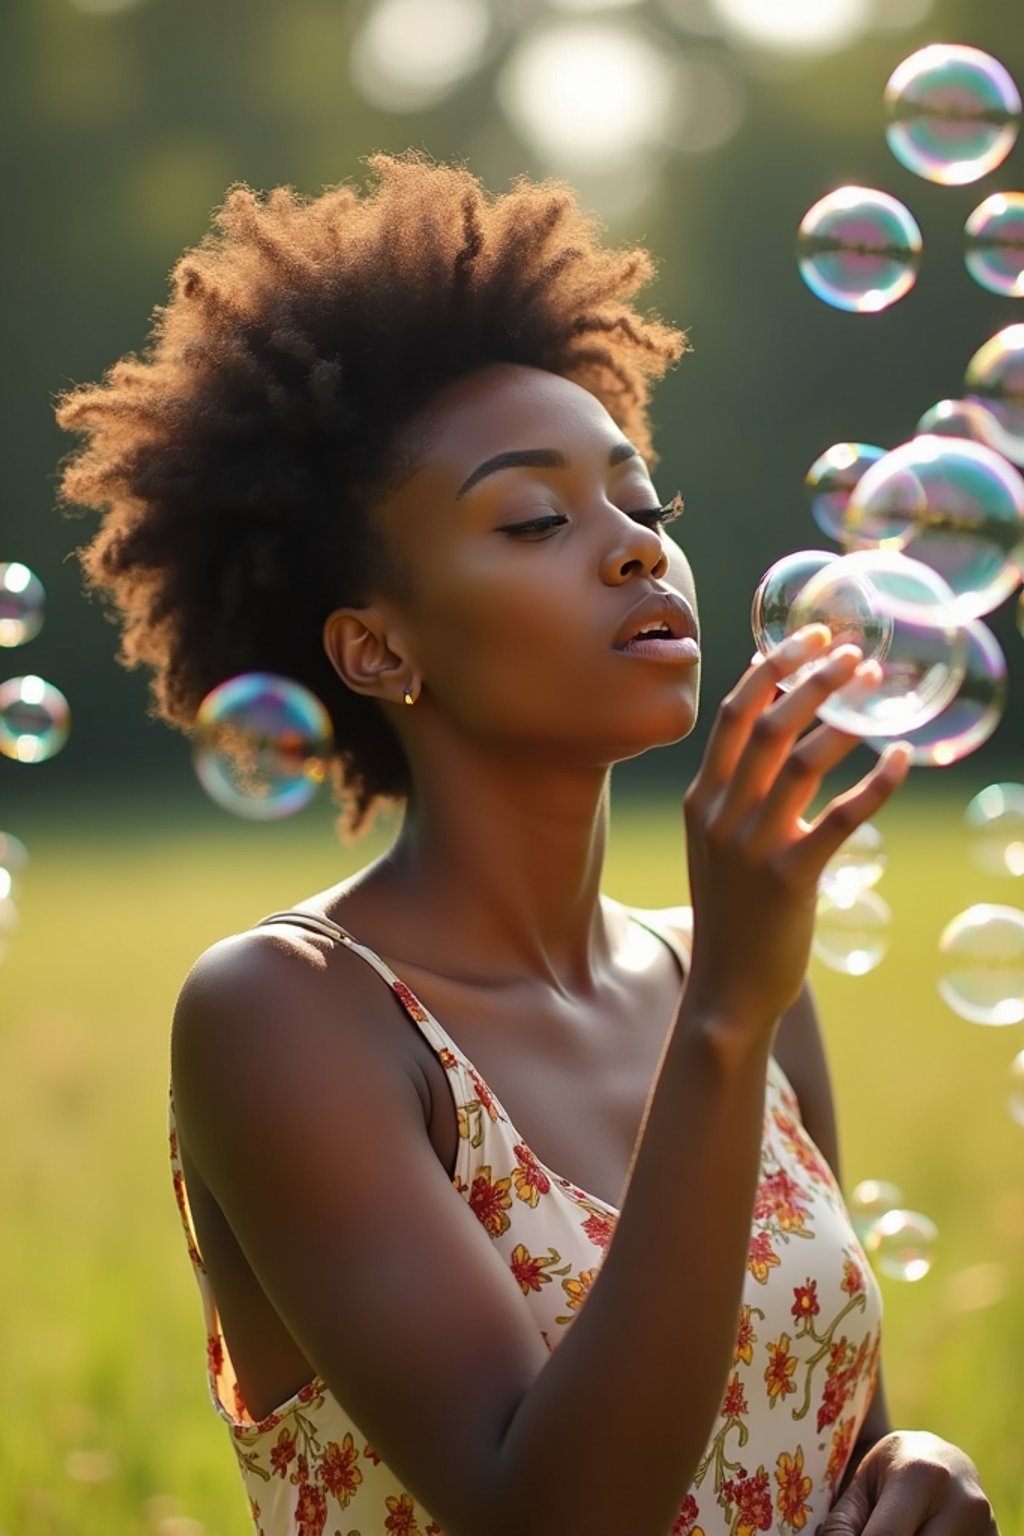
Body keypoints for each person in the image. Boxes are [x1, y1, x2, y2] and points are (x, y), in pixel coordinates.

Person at [55, 152, 996, 1536]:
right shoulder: (289, 1013)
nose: (633, 550)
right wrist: (729, 1016)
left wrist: (916, 1464)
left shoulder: (727, 981)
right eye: (537, 518)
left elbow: (813, 1424)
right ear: (379, 647)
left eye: (643, 503)